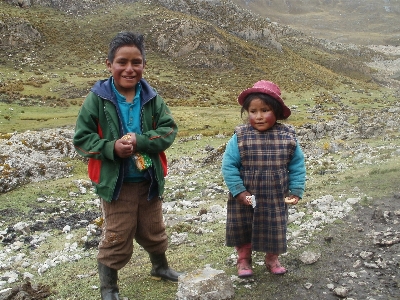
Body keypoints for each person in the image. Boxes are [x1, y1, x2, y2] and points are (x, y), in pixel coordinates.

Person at [73, 31, 181, 300]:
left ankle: (160, 267)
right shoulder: (96, 99)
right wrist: (111, 148)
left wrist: (142, 140)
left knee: (154, 230)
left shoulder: (152, 98)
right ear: (109, 65)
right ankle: (108, 288)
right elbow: (82, 140)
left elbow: (169, 131)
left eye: (137, 62)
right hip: (116, 185)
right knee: (117, 236)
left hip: (148, 181)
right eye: (122, 62)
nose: (130, 69)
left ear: (144, 64)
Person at [221, 80, 306, 277]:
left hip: (275, 195)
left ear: (276, 111)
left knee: (274, 227)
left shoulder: (288, 136)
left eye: (265, 110)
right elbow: (229, 165)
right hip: (246, 196)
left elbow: (297, 166)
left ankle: (272, 259)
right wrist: (239, 191)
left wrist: (296, 191)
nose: (258, 116)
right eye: (253, 111)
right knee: (243, 227)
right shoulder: (240, 136)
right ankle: (243, 260)